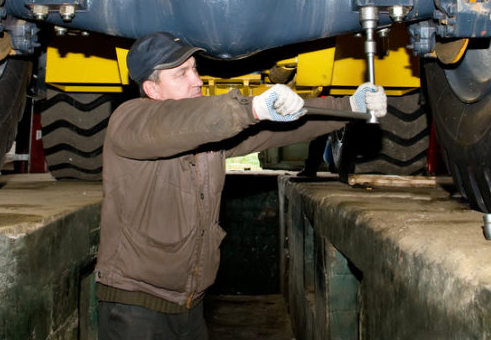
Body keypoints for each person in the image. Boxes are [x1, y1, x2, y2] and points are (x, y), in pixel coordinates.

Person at [95, 32, 386, 340]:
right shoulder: (129, 121)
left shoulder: (209, 137)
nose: (197, 80)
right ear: (152, 89)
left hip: (190, 303)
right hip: (135, 307)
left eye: (195, 69)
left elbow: (278, 129)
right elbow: (180, 123)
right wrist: (252, 107)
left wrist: (350, 106)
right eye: (181, 74)